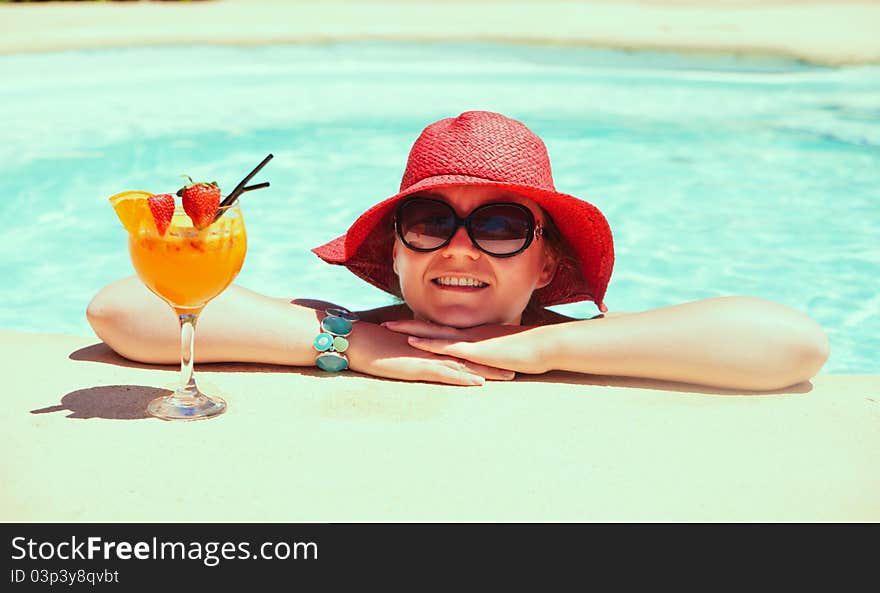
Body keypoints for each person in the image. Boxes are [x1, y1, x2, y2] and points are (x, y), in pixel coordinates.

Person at [87, 110, 830, 390]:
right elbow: (119, 308)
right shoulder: (351, 324)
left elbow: (795, 345)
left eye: (502, 225)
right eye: (431, 222)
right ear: (398, 253)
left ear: (546, 263)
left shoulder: (577, 340)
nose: (462, 248)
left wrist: (544, 350)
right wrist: (360, 346)